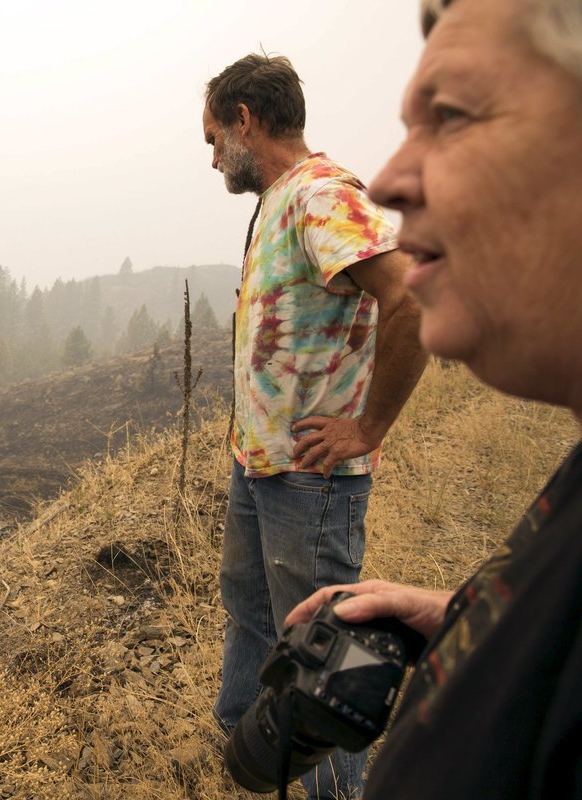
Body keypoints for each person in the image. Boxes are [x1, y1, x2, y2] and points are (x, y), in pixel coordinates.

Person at [285, 0, 582, 796]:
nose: (386, 180)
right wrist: (472, 617)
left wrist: (366, 425)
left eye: (450, 114)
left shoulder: (318, 197)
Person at [201, 53, 427, 799]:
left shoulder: (322, 194)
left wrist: (367, 427)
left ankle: (335, 790)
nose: (212, 160)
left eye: (212, 140)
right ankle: (248, 752)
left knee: (326, 659)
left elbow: (410, 301)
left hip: (310, 479)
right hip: (261, 465)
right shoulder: (279, 198)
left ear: (245, 120)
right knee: (252, 609)